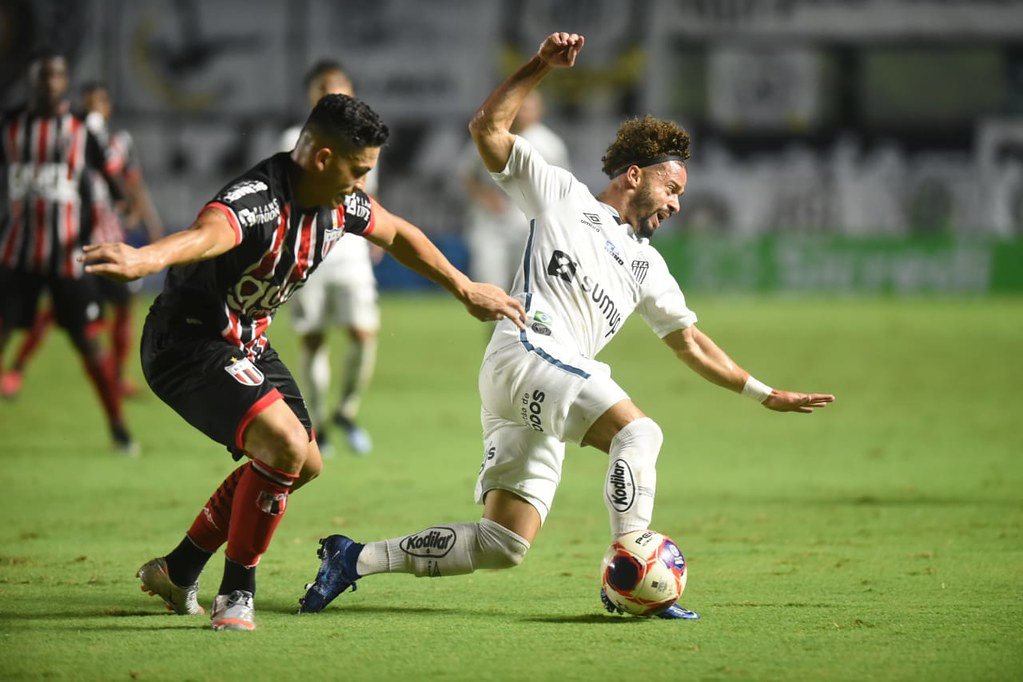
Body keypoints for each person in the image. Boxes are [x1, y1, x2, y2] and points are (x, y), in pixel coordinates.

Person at [297, 32, 835, 620]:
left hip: (535, 385)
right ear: (634, 175)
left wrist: (762, 392)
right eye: (672, 188)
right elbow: (487, 131)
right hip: (526, 351)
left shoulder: (648, 266)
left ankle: (354, 559)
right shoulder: (561, 194)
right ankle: (631, 574)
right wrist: (538, 66)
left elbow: (691, 342)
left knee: (504, 543)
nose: (677, 204)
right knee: (639, 434)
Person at [82, 93, 526, 632]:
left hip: (247, 343)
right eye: (357, 170)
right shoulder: (259, 200)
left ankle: (179, 569)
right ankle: (236, 596)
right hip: (187, 344)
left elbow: (400, 233)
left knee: (304, 463)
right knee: (284, 446)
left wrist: (463, 287)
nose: (362, 183)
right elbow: (205, 235)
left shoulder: (341, 203)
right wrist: (142, 258)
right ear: (321, 159)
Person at [0, 48, 136, 453]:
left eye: (56, 76)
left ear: (64, 81)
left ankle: (118, 428)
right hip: (16, 256)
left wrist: (120, 203)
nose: (49, 83)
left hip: (67, 258)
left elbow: (114, 182)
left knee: (90, 345)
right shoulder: (10, 124)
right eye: (42, 76)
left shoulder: (80, 128)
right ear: (31, 80)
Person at [2, 81, 164, 399]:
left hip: (109, 239)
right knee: (53, 311)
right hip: (74, 239)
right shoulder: (72, 136)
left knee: (123, 306)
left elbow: (132, 185)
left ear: (108, 107)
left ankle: (118, 378)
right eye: (88, 103)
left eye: (99, 102)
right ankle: (16, 370)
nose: (93, 109)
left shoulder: (120, 142)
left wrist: (148, 221)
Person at [281, 60, 380, 457]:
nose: (331, 93)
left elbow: (368, 193)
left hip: (350, 251)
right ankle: (318, 423)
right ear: (311, 94)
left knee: (363, 333)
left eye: (339, 87)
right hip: (308, 252)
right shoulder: (294, 137)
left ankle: (347, 411)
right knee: (314, 339)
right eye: (323, 87)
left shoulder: (365, 137)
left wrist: (379, 235)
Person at [459, 90, 569, 291]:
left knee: (528, 288)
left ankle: (522, 323)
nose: (523, 112)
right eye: (519, 106)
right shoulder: (491, 134)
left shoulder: (550, 144)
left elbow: (562, 189)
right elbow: (466, 174)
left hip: (529, 224)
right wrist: (485, 196)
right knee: (490, 285)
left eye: (528, 107)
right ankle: (496, 323)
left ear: (539, 110)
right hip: (490, 222)